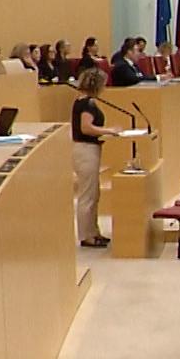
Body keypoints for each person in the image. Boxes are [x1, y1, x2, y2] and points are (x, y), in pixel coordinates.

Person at [70, 68, 112, 249]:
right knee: (87, 195)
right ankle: (86, 235)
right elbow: (86, 128)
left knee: (94, 194)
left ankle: (94, 231)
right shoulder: (86, 104)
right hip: (85, 150)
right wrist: (108, 131)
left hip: (90, 149)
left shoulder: (87, 102)